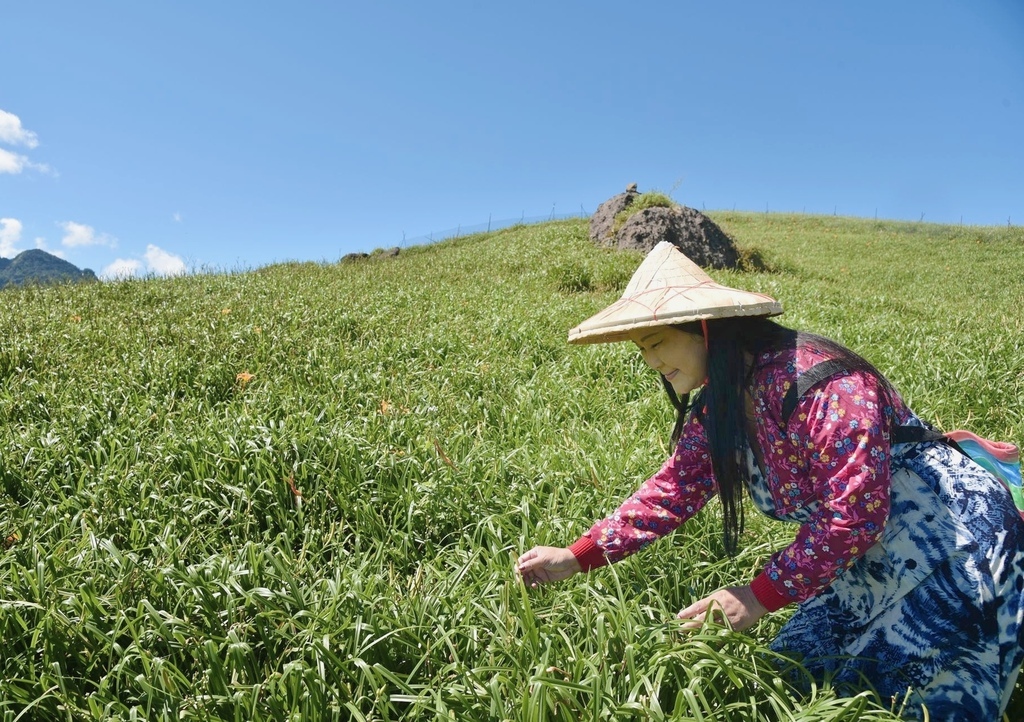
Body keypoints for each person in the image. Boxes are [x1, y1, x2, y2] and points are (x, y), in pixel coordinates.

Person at [516, 241, 1024, 721]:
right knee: (789, 675)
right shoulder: (724, 402)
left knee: (913, 699)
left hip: (953, 546)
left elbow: (853, 514)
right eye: (640, 348)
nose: (649, 361)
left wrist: (758, 595)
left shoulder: (827, 385)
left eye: (655, 341)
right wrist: (576, 556)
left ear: (706, 330)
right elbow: (673, 489)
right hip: (866, 558)